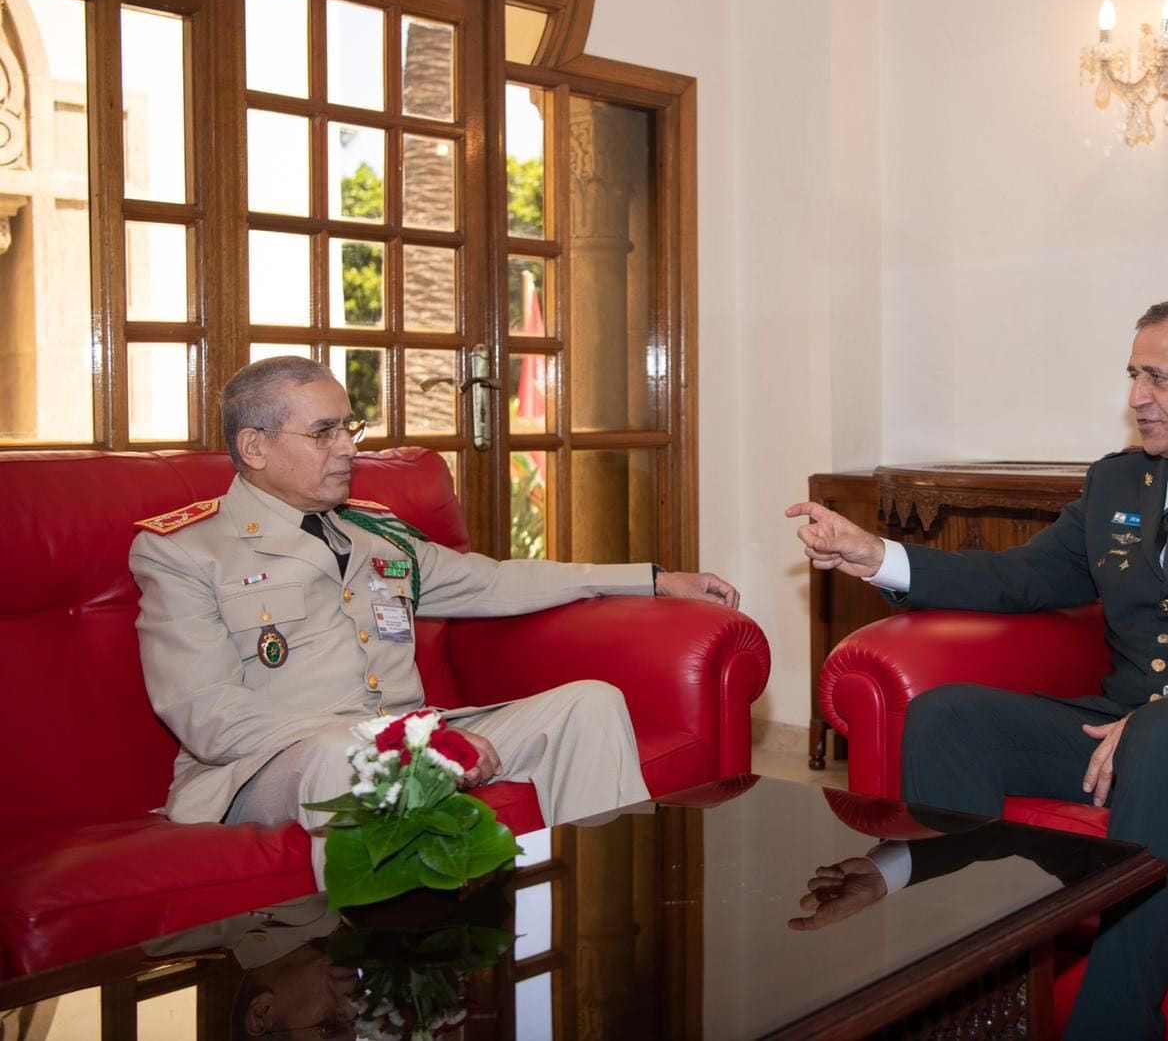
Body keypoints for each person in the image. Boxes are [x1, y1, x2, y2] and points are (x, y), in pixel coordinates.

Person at [787, 295, 1168, 1040]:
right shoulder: (1118, 485)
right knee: (950, 715)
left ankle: (1112, 1024)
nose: (1137, 397)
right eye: (1134, 375)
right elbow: (1020, 578)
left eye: (1159, 379)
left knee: (1167, 732)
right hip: (1118, 734)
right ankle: (972, 997)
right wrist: (880, 556)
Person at [131, 356, 739, 884]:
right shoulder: (185, 550)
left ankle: (593, 900)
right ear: (255, 447)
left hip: (410, 740)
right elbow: (207, 714)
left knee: (590, 704)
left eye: (349, 427)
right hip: (270, 767)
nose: (349, 446)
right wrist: (401, 742)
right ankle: (396, 976)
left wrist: (654, 580)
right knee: (349, 757)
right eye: (324, 433)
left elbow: (498, 581)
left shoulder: (376, 535)